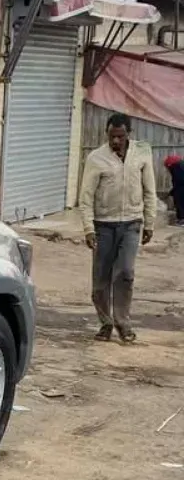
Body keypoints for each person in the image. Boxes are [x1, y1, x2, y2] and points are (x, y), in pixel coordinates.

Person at [79, 113, 156, 343]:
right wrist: (88, 229)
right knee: (101, 278)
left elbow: (150, 191)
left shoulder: (142, 154)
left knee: (125, 273)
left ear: (128, 134)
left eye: (120, 136)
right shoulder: (96, 158)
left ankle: (123, 323)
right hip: (103, 226)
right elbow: (86, 197)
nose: (115, 141)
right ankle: (105, 323)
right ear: (107, 134)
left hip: (132, 223)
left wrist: (149, 223)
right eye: (112, 136)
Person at [165, 153, 184, 224]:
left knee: (180, 201)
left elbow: (179, 181)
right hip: (180, 188)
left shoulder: (176, 168)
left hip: (181, 190)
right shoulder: (180, 166)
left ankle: (182, 219)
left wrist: (172, 192)